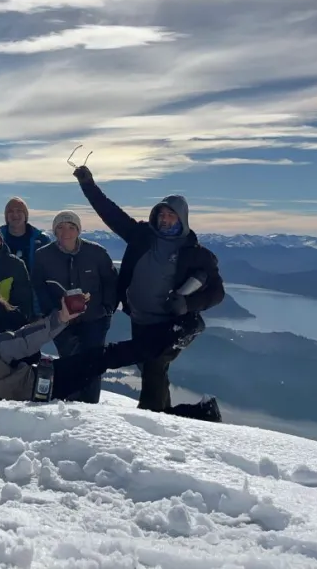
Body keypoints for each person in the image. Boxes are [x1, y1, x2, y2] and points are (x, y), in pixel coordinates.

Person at [74, 164, 224, 421]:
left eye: (171, 216)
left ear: (182, 219)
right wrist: (88, 185)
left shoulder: (195, 253)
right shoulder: (142, 235)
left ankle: (149, 423)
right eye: (162, 214)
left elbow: (217, 292)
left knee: (154, 366)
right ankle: (191, 416)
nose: (164, 220)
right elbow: (111, 214)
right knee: (151, 369)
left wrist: (188, 304)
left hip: (169, 326)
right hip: (140, 319)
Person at [0, 301, 180, 404]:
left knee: (103, 356)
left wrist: (60, 319)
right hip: (20, 413)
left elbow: (23, 340)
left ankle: (170, 337)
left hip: (43, 382)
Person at [32, 210, 118, 404]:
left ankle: (90, 405)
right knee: (69, 361)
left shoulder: (96, 252)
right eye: (60, 227)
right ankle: (72, 404)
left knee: (93, 362)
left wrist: (107, 308)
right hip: (61, 319)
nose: (66, 232)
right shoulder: (43, 256)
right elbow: (38, 285)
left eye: (71, 227)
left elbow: (111, 282)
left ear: (78, 230)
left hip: (95, 318)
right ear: (54, 231)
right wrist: (52, 312)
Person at [1, 197, 50, 314]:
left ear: (25, 215)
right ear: (6, 216)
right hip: (2, 299)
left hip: (34, 300)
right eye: (11, 211)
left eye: (19, 211)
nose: (15, 215)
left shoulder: (41, 240)